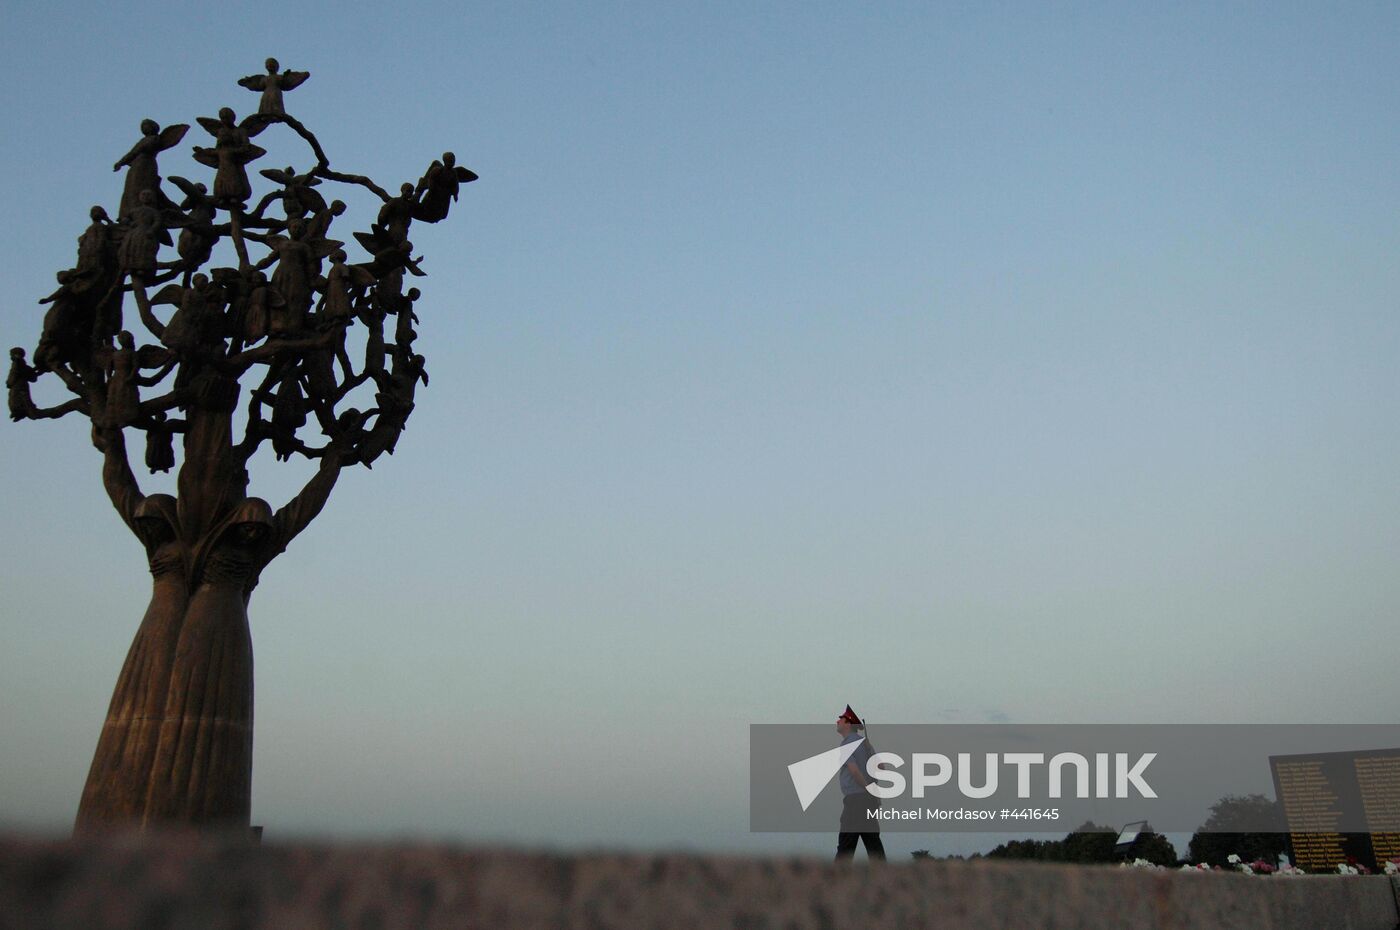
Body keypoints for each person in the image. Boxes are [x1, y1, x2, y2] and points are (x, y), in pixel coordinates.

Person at [835, 704, 886, 862]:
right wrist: (870, 749)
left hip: (856, 801)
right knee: (874, 845)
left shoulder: (846, 745)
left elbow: (854, 771)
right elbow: (881, 767)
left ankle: (834, 880)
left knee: (845, 846)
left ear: (848, 724)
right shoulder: (865, 744)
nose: (838, 721)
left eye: (841, 719)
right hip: (869, 802)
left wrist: (868, 789)